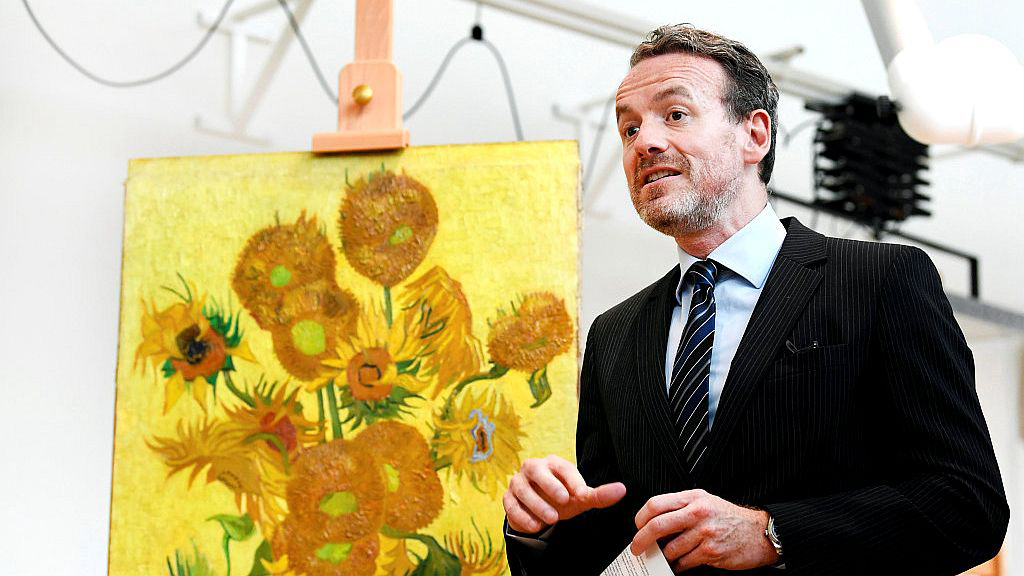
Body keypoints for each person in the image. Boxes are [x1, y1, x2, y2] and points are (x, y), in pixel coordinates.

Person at [502, 23, 1009, 576]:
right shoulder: (613, 335)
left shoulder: (881, 280)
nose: (644, 142)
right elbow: (619, 544)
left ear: (755, 135)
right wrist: (543, 526)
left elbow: (967, 503)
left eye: (675, 114)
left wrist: (773, 533)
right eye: (629, 128)